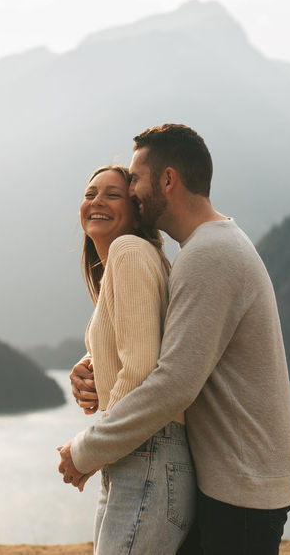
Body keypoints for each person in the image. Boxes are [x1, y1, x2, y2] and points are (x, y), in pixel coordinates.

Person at [61, 125, 290, 555]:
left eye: (134, 179)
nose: (131, 191)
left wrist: (86, 450)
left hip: (242, 483)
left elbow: (173, 383)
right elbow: (171, 337)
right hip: (230, 475)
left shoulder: (209, 254)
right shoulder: (202, 248)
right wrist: (95, 359)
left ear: (167, 180)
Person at [57, 164, 195, 555]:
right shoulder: (131, 259)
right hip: (144, 451)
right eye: (89, 194)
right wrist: (93, 367)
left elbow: (140, 371)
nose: (96, 201)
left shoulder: (128, 250)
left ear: (137, 211)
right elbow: (137, 352)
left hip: (146, 449)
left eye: (112, 194)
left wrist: (90, 450)